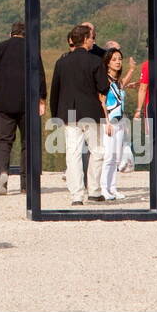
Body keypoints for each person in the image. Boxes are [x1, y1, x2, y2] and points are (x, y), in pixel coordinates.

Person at [0, 20, 46, 196]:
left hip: (3, 101)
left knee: (3, 141)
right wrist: (42, 100)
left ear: (11, 33)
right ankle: (26, 184)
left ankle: (3, 172)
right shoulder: (31, 49)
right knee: (27, 143)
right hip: (27, 102)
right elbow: (39, 74)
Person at [49, 24, 107, 204]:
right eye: (91, 37)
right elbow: (103, 86)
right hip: (90, 111)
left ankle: (76, 195)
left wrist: (56, 114)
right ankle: (94, 190)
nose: (93, 41)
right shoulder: (95, 61)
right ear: (85, 39)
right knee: (97, 151)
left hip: (69, 113)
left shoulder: (62, 62)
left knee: (72, 153)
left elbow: (55, 91)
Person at [99, 49, 132, 201]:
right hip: (109, 122)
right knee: (108, 156)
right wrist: (106, 121)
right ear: (107, 62)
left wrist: (131, 70)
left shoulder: (117, 82)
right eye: (114, 59)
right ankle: (103, 188)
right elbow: (102, 101)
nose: (118, 62)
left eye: (119, 59)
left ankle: (113, 187)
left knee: (117, 157)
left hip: (119, 121)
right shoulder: (104, 80)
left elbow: (122, 86)